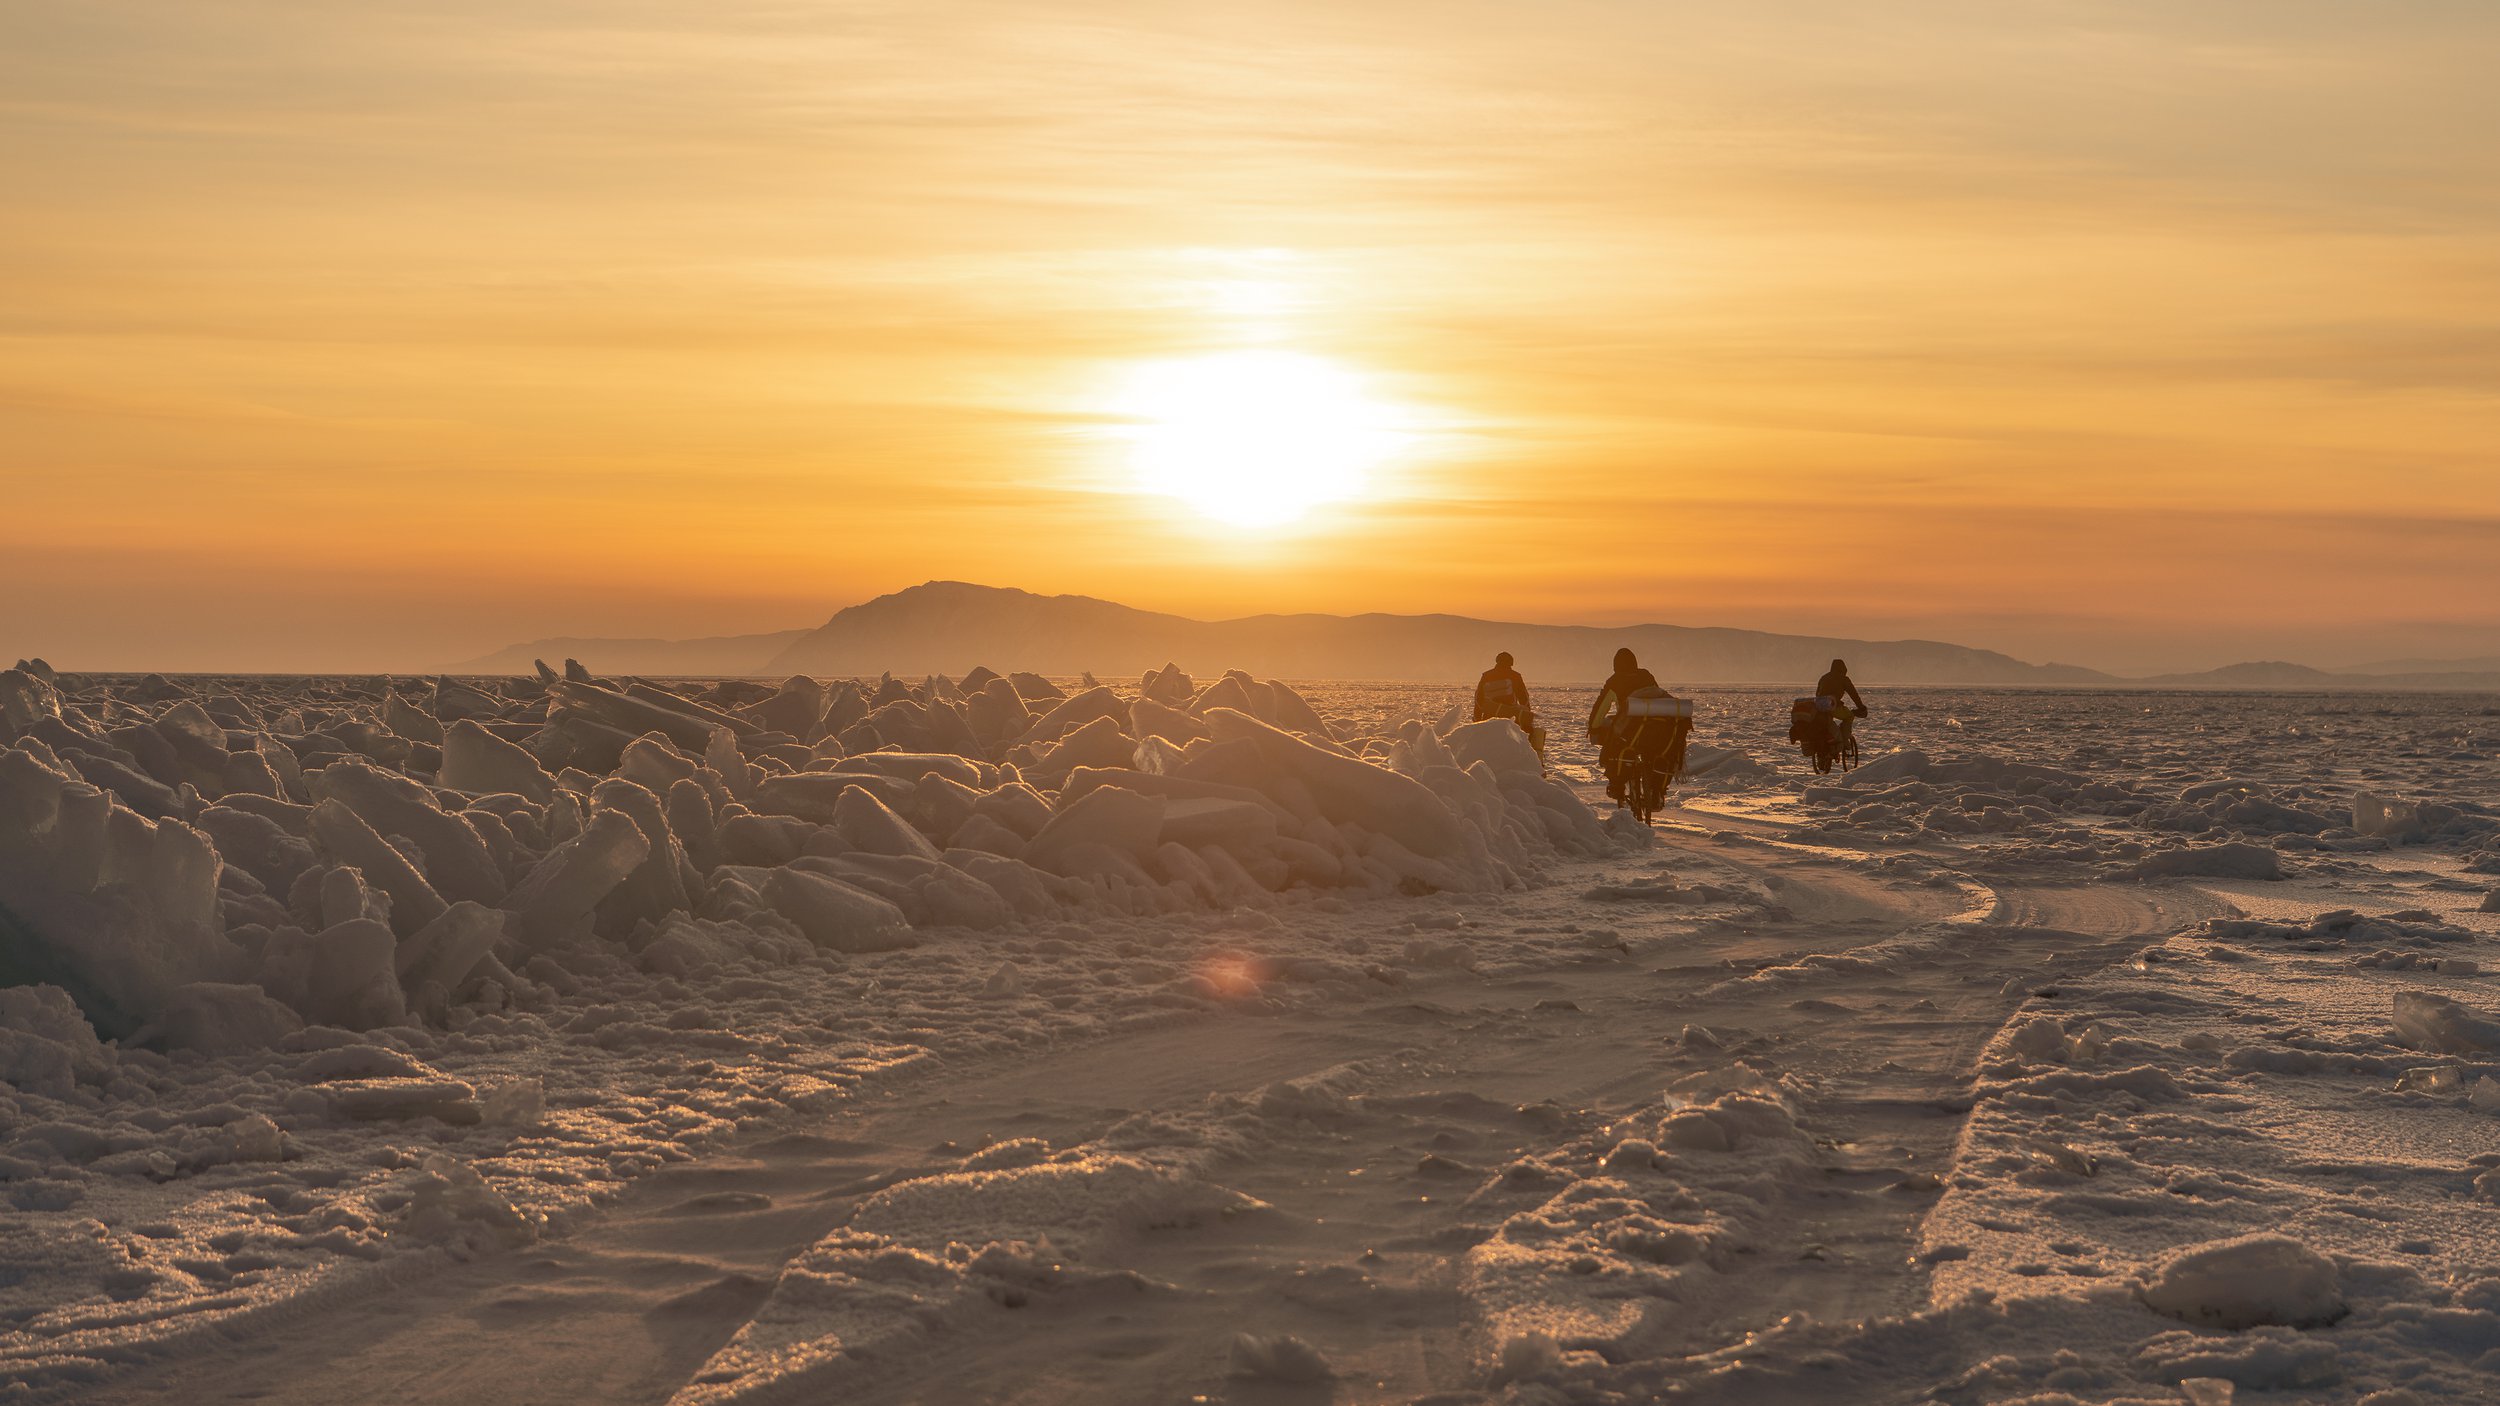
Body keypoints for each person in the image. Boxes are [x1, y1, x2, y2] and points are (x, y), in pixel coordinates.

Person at [1587, 646, 1659, 804]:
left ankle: (1616, 786)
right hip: (1653, 727)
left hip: (1628, 728)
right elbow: (1658, 697)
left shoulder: (1615, 681)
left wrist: (1593, 727)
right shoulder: (1646, 676)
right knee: (1652, 755)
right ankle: (1656, 792)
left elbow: (1601, 707)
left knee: (1613, 748)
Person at [1474, 651, 1534, 726]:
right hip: (1510, 716)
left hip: (1489, 716)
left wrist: (1477, 720)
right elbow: (1524, 698)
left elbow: (1479, 698)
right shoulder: (1515, 676)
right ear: (1511, 663)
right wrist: (1526, 717)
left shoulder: (1487, 675)